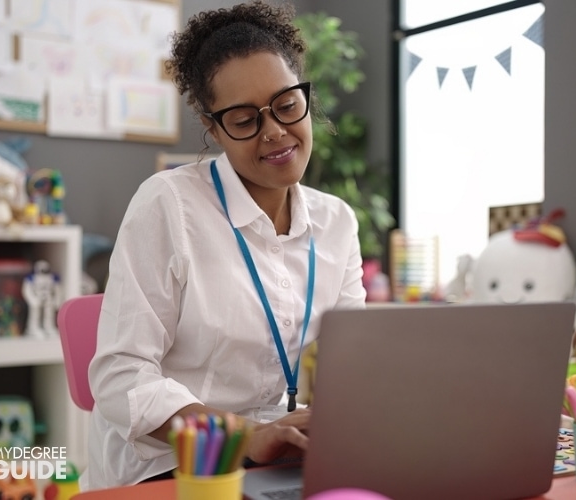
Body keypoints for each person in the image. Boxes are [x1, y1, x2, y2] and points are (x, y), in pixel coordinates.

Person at [82, 0, 366, 490]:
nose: (275, 131)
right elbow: (120, 376)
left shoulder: (336, 222)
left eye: (286, 104)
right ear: (214, 130)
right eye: (243, 118)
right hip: (166, 467)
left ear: (304, 95)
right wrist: (245, 436)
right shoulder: (168, 205)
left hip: (277, 461)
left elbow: (359, 363)